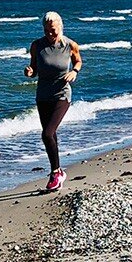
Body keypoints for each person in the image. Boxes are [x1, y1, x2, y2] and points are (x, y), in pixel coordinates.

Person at [25, 11, 83, 191]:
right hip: (42, 95)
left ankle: (56, 172)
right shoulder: (37, 45)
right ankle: (56, 172)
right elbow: (34, 67)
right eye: (47, 30)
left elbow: (78, 62)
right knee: (51, 135)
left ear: (60, 27)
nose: (50, 34)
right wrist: (29, 72)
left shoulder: (70, 45)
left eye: (53, 30)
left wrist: (74, 72)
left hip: (62, 94)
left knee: (47, 134)